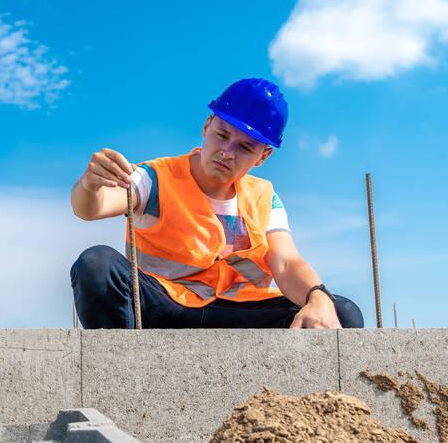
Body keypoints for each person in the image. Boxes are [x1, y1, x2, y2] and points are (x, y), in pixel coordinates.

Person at [70, 78, 363, 329]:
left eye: (245, 147)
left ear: (263, 156)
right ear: (207, 125)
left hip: (238, 312)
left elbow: (286, 263)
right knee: (96, 264)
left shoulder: (264, 198)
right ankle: (121, 377)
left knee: (340, 314)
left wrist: (317, 295)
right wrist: (90, 184)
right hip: (163, 305)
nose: (227, 152)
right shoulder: (156, 178)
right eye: (222, 135)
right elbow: (90, 208)